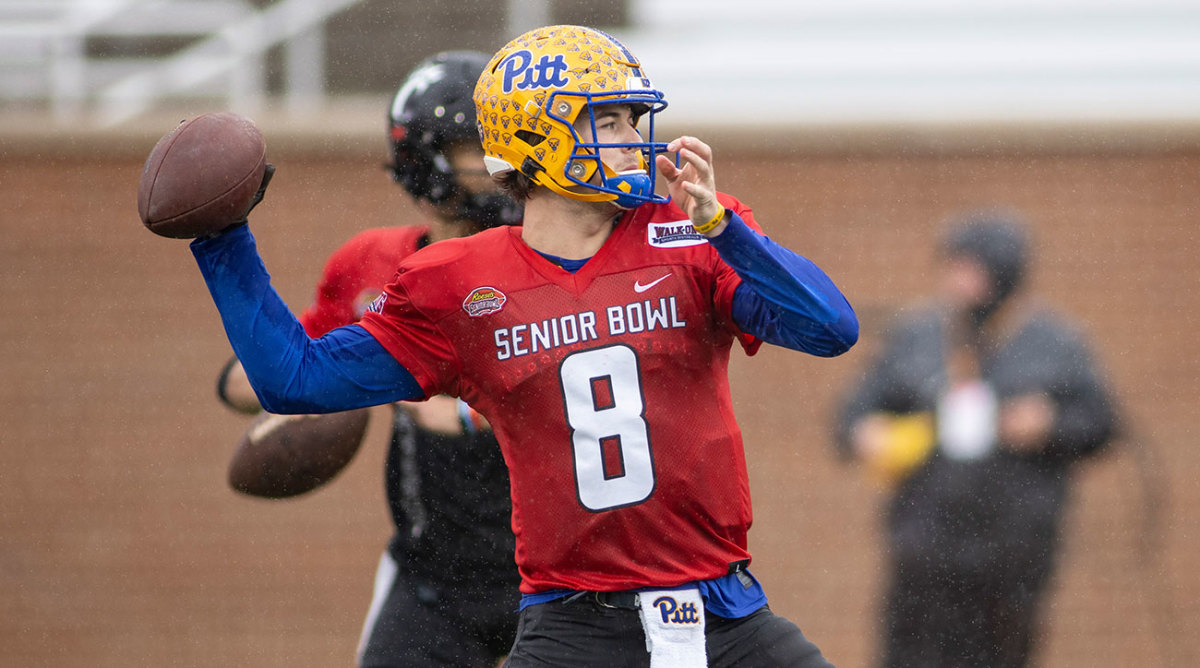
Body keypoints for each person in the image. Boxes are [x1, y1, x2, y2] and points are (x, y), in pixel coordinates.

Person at [188, 25, 858, 667]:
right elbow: (294, 380)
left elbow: (829, 328)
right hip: (573, 626)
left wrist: (722, 228)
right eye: (609, 121)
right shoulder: (457, 282)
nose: (635, 141)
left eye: (633, 119)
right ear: (537, 138)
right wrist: (223, 242)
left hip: (725, 613)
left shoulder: (690, 233)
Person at [214, 51, 523, 667]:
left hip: (556, 571)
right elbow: (275, 371)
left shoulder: (538, 258)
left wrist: (450, 407)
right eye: (480, 147)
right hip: (433, 575)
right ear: (428, 161)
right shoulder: (372, 265)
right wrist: (299, 386)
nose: (502, 163)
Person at [833, 210, 1120, 668]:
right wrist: (865, 433)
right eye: (952, 265)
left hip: (1013, 553)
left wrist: (1048, 423)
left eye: (969, 267)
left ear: (1003, 272)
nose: (956, 279)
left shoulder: (1054, 344)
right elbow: (853, 414)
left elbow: (1102, 424)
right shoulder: (918, 335)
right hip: (925, 550)